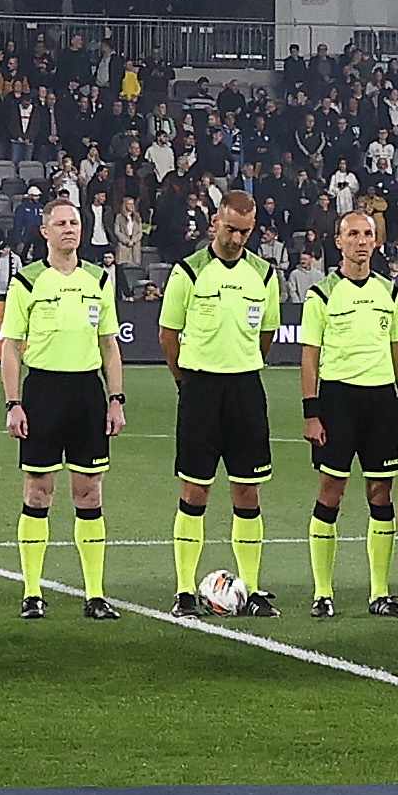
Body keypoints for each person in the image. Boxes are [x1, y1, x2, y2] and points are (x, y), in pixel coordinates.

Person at [0, 190, 127, 621]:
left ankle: (95, 594)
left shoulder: (100, 279)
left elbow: (110, 346)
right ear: (44, 231)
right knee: (39, 491)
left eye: (74, 223)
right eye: (61, 223)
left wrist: (116, 400)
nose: (69, 229)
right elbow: (12, 349)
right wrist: (14, 403)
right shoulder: (28, 281)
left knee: (89, 493)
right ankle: (32, 592)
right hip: (43, 393)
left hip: (87, 395)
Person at [159, 189, 283, 613]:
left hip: (246, 390)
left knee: (247, 493)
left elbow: (267, 336)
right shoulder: (188, 272)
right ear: (215, 222)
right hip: (201, 390)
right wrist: (187, 382)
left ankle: (250, 587)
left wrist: (243, 364)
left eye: (245, 231)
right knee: (195, 491)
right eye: (230, 228)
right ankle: (184, 590)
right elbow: (168, 335)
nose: (237, 238)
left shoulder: (265, 276)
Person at [294, 200, 398, 618]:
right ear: (338, 242)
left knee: (379, 493)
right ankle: (323, 593)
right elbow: (309, 357)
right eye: (353, 235)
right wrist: (311, 412)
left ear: (377, 242)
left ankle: (379, 593)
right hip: (337, 401)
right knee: (331, 492)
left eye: (367, 235)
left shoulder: (391, 292)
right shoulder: (321, 294)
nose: (361, 242)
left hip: (382, 401)